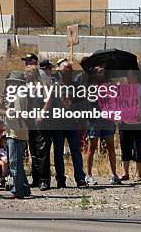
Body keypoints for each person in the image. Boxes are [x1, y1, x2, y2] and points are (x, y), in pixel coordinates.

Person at [51, 60, 87, 188]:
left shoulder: (76, 86)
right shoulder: (54, 86)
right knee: (58, 152)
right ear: (60, 71)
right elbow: (49, 105)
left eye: (71, 70)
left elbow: (82, 104)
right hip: (58, 124)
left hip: (73, 124)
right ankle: (60, 179)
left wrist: (82, 121)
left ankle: (80, 178)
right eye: (66, 70)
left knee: (76, 151)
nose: (69, 72)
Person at [85, 65, 121, 186]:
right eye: (98, 72)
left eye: (103, 72)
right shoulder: (90, 86)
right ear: (94, 73)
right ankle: (89, 175)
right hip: (94, 120)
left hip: (107, 119)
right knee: (92, 146)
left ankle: (114, 174)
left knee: (111, 146)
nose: (101, 73)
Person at [2, 70, 31, 199]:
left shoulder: (19, 96)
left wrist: (1, 110)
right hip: (16, 131)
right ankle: (24, 187)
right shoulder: (19, 95)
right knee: (17, 162)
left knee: (14, 162)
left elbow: (18, 114)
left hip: (16, 132)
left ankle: (17, 190)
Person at [119, 70, 141, 182]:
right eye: (126, 76)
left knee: (138, 147)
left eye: (129, 76)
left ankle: (138, 174)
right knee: (125, 147)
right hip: (125, 123)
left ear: (135, 77)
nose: (127, 78)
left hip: (139, 123)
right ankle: (125, 173)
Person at [25, 64, 53, 191]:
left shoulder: (43, 85)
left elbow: (49, 99)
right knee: (34, 152)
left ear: (33, 73)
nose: (26, 75)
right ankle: (36, 178)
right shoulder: (26, 87)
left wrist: (42, 113)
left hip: (42, 122)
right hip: (30, 121)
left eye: (28, 73)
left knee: (43, 151)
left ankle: (44, 180)